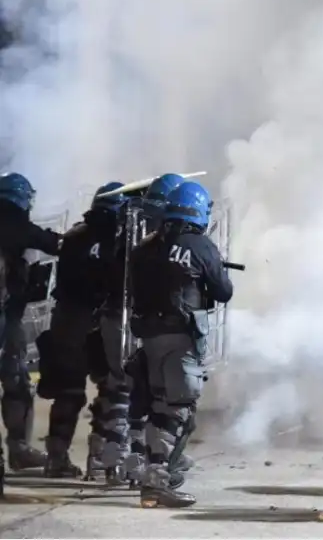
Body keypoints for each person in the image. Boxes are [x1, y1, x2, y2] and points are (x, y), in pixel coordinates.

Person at [129, 181, 233, 508]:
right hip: (181, 338)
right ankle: (157, 480)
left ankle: (158, 474)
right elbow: (223, 291)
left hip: (149, 337)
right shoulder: (200, 245)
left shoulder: (144, 247)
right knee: (178, 411)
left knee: (159, 404)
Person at [37, 182, 125, 478]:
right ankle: (99, 458)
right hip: (100, 322)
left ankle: (56, 459)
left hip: (67, 320)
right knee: (111, 388)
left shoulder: (73, 236)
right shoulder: (120, 238)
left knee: (69, 392)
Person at [119, 173, 188, 487]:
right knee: (166, 399)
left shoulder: (136, 239)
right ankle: (157, 464)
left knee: (139, 391)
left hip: (135, 324)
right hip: (158, 328)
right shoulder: (166, 244)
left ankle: (138, 456)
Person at [0, 173, 61, 489]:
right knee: (16, 383)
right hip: (5, 320)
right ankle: (19, 450)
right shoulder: (12, 221)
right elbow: (51, 243)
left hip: (8, 316)